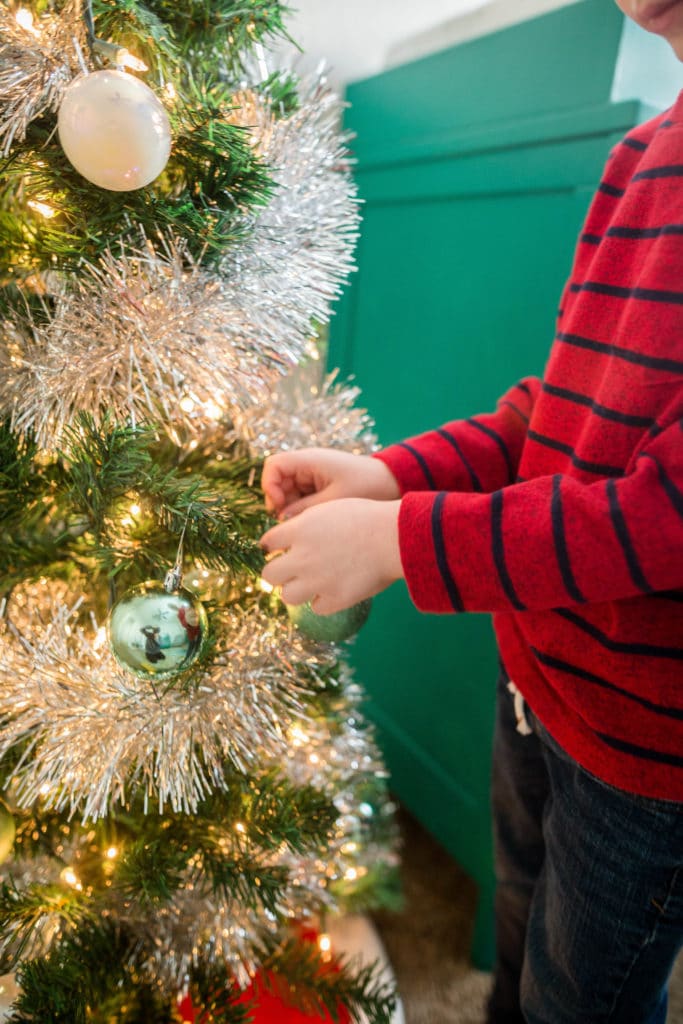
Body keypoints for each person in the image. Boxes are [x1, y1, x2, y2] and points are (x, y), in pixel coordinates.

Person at [260, 1, 683, 1019]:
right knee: (518, 940)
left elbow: (659, 512)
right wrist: (392, 477)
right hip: (535, 678)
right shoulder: (639, 157)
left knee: (581, 996)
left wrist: (400, 542)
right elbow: (551, 413)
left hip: (644, 754)